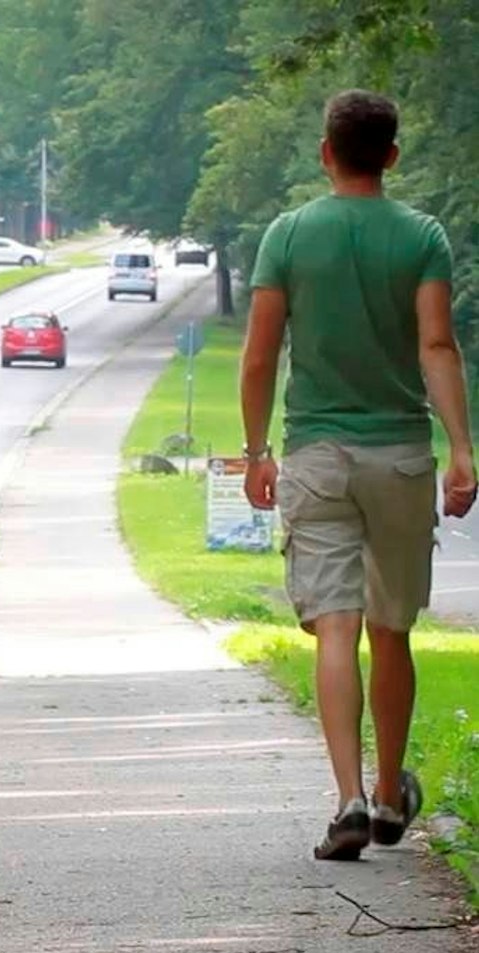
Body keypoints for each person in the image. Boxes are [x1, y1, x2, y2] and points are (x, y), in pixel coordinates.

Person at [240, 89, 477, 860]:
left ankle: (344, 801)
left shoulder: (287, 235)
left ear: (324, 152)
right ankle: (386, 795)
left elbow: (259, 353)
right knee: (392, 627)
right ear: (392, 156)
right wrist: (461, 450)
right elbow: (436, 347)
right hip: (401, 458)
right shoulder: (420, 236)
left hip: (314, 457)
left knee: (333, 629)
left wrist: (255, 452)